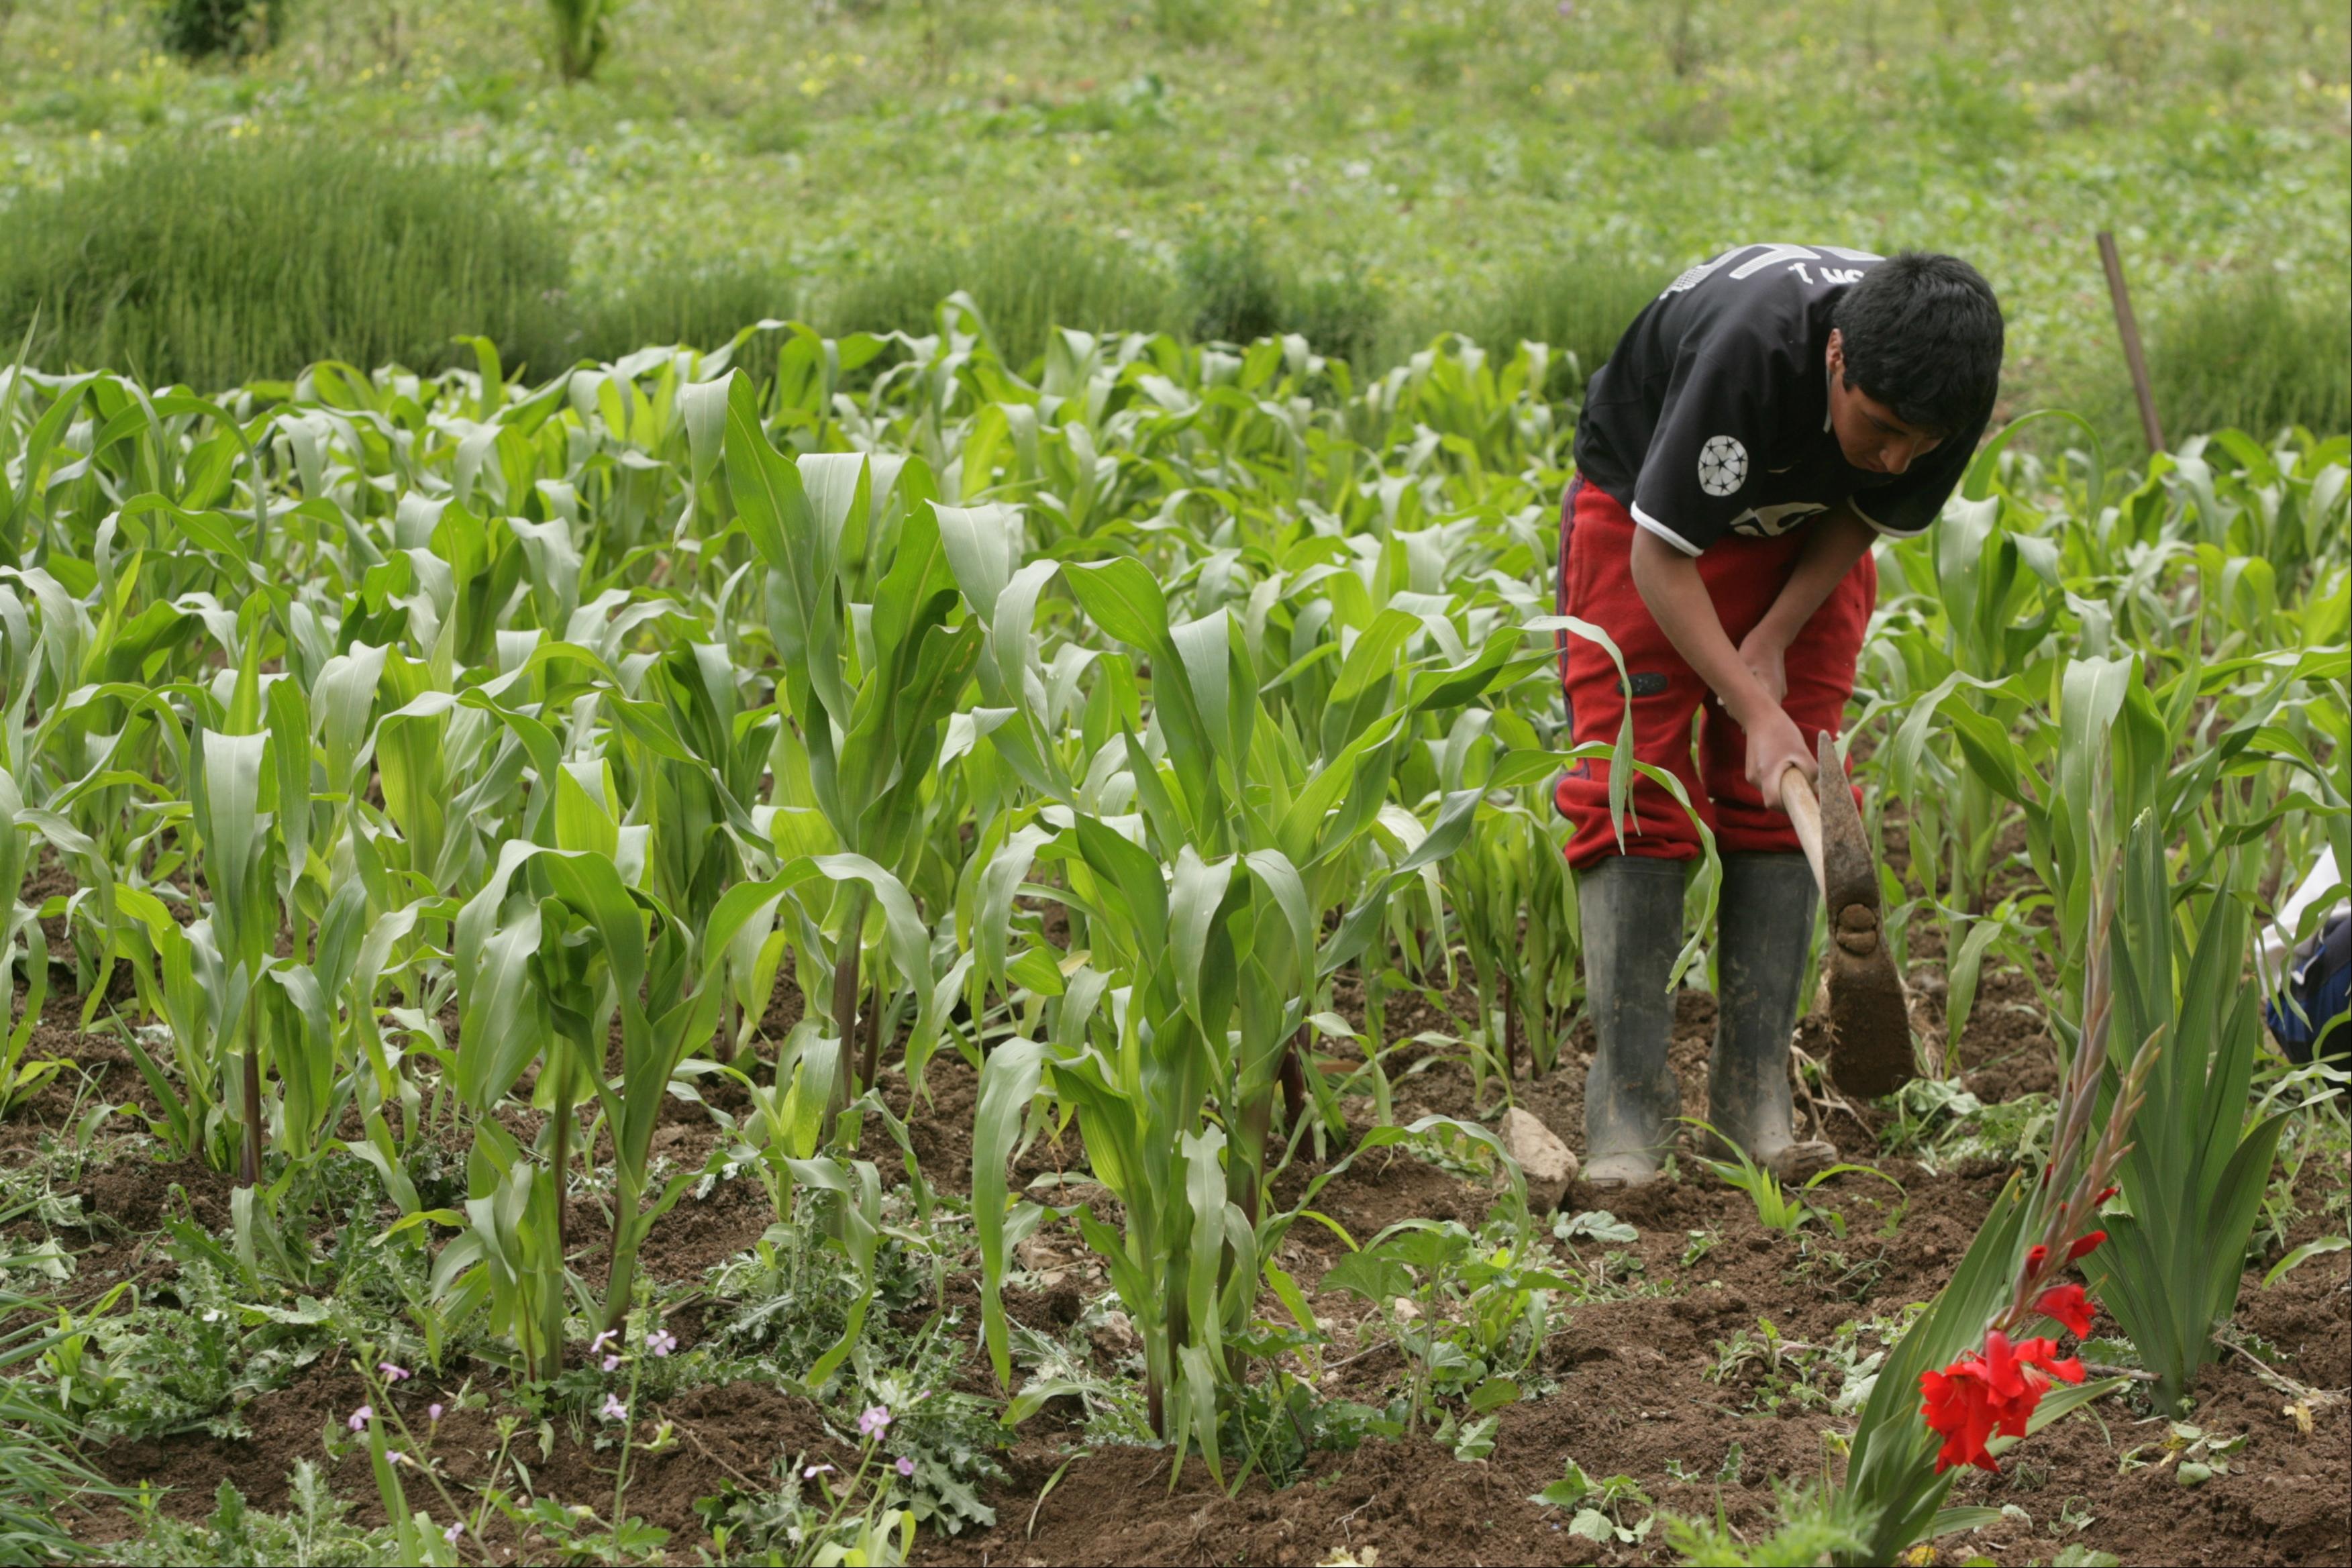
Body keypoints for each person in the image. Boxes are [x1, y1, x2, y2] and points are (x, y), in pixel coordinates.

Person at [1555, 245, 2004, 1190]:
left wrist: (1772, 638)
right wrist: (1748, 701)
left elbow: (1868, 505)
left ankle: (1752, 1095)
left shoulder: (1941, 390)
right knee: (1631, 789)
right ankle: (1627, 1107)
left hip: (1806, 538)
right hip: (1648, 521)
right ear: (1835, 359)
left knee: (1775, 793)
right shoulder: (1747, 352)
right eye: (1878, 426)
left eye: (1916, 443)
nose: (1894, 456)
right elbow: (1659, 562)